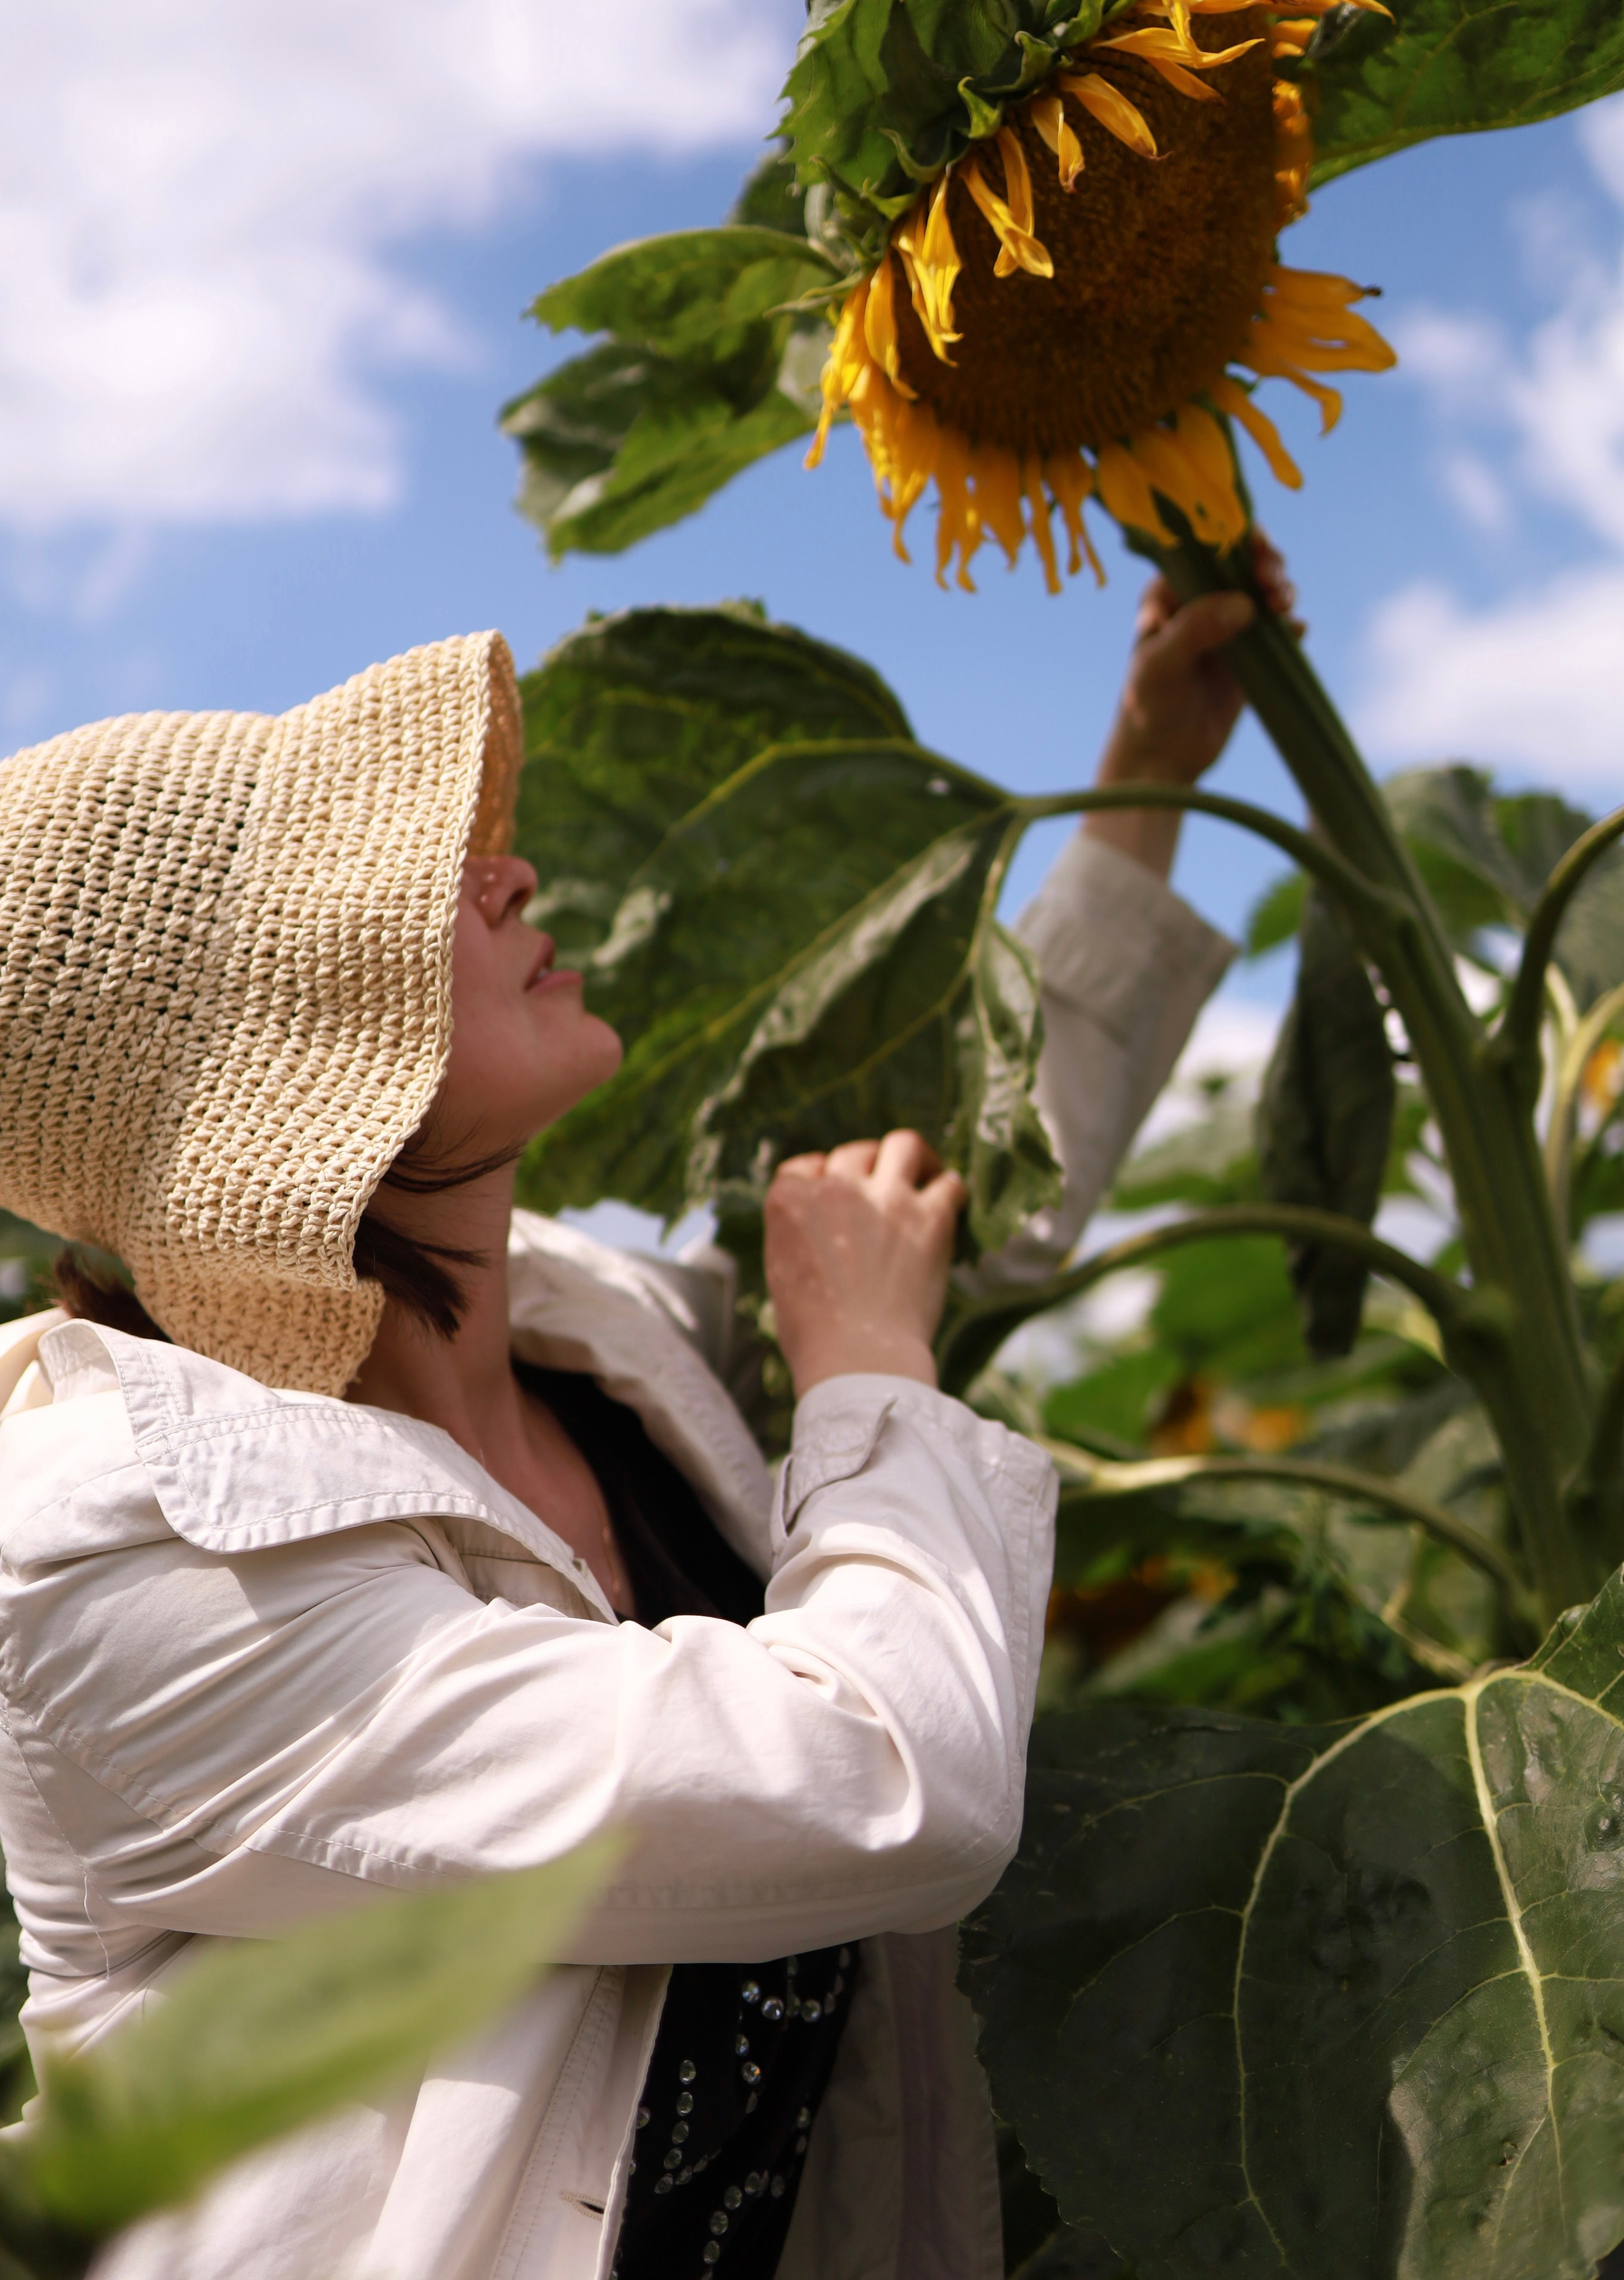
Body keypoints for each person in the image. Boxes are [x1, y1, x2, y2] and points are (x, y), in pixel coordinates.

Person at [0, 556, 1284, 2280]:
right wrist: (866, 1377)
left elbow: (941, 1203)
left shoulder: (584, 1332)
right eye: (403, 879)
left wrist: (1147, 770)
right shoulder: (125, 1546)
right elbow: (889, 1780)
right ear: (281, 1049)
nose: (511, 868)